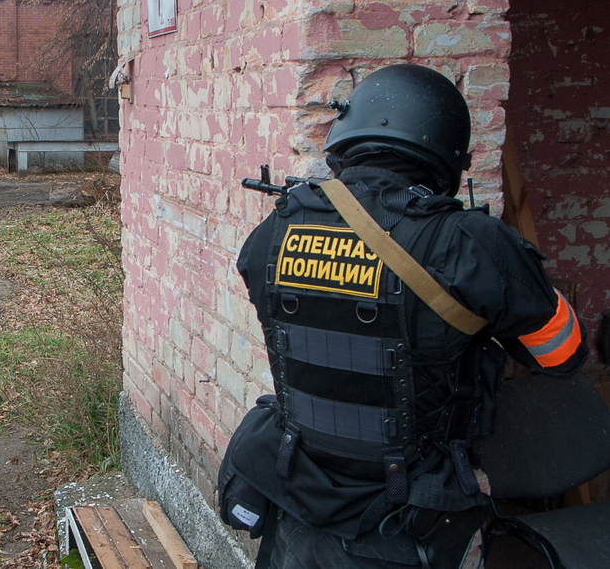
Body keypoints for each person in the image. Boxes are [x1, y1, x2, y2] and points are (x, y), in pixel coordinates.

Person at [225, 64, 588, 568]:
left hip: (299, 518)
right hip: (408, 529)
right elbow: (565, 353)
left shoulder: (275, 231)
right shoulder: (468, 244)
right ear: (445, 151)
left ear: (348, 136)